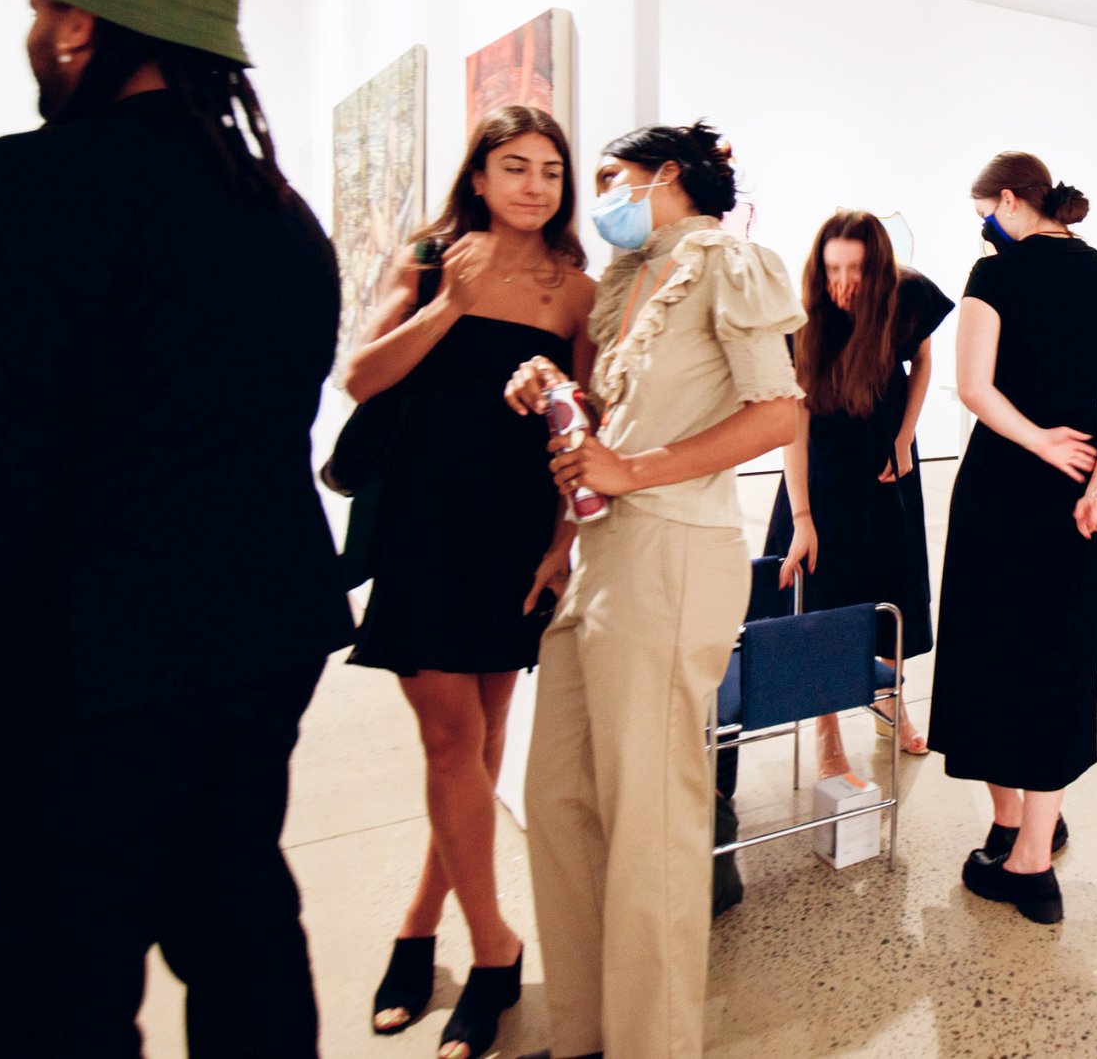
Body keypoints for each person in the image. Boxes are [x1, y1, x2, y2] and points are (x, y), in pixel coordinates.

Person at [0, 0, 354, 1054]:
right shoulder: (286, 219)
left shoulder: (32, 181)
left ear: (88, 25)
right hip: (258, 635)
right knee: (239, 919)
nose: (37, 25)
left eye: (46, 4)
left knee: (52, 980)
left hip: (77, 655)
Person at [503, 121, 802, 1059]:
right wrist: (557, 395)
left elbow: (780, 412)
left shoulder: (728, 262)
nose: (597, 197)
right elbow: (612, 427)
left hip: (675, 553)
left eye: (608, 178)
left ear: (668, 176)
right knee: (558, 795)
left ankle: (651, 1043)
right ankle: (587, 1027)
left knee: (651, 813)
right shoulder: (627, 284)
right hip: (600, 551)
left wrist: (636, 472)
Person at [344, 105, 596, 1054]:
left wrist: (563, 545)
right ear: (479, 177)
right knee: (452, 737)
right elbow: (360, 379)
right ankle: (494, 946)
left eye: (550, 171)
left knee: (480, 742)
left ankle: (417, 924)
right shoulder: (429, 259)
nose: (534, 186)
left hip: (513, 531)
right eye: (515, 167)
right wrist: (447, 304)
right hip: (421, 525)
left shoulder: (575, 291)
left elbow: (578, 430)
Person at [933, 152, 1097, 923]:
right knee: (1057, 653)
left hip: (1001, 483)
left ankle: (1019, 847)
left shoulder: (994, 274)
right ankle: (1031, 834)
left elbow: (973, 387)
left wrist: (1037, 441)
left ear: (1013, 200)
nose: (983, 225)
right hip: (1075, 492)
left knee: (989, 645)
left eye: (985, 210)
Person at [767, 210, 954, 771]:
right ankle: (827, 733)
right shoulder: (800, 315)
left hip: (887, 463)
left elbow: (922, 360)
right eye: (831, 269)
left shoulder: (907, 294)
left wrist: (905, 435)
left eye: (854, 269)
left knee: (893, 585)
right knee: (823, 600)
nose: (842, 282)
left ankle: (888, 700)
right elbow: (792, 420)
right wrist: (802, 514)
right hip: (823, 471)